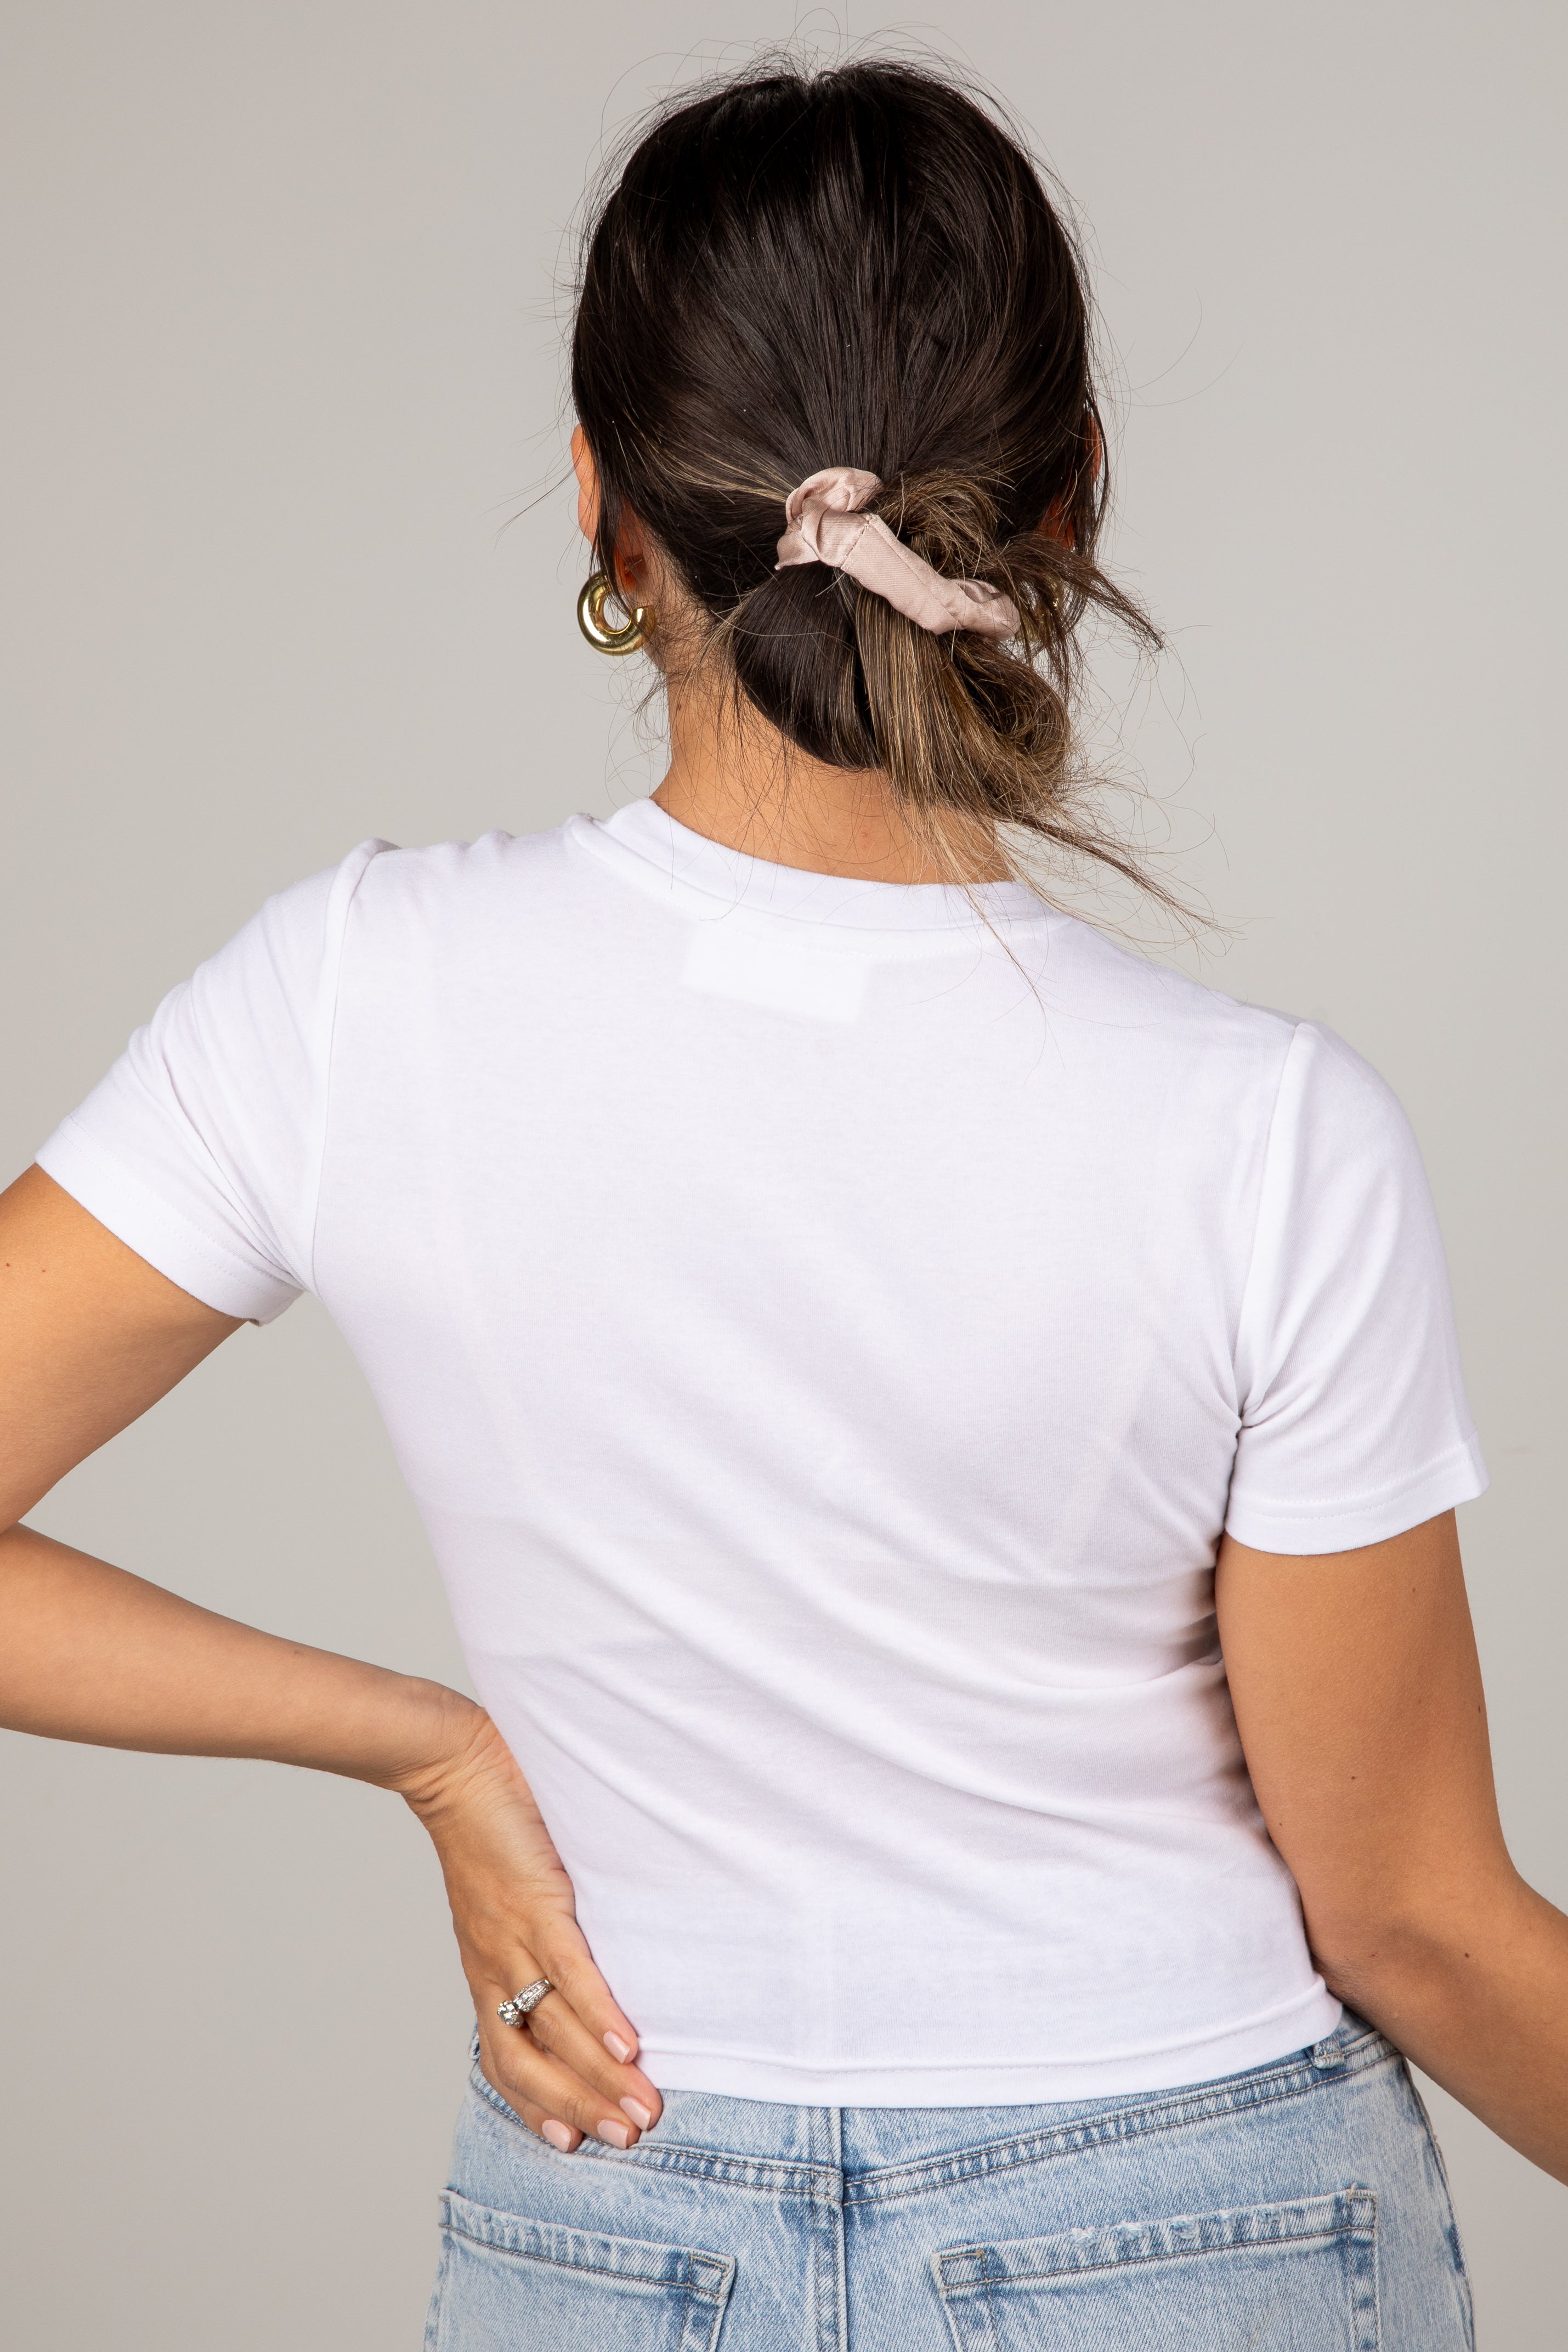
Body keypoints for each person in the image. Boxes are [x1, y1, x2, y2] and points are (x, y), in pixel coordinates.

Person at [2, 56, 1563, 2350]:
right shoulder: (1264, 1131)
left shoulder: (355, 994)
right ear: (1069, 500)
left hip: (622, 2211)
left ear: (599, 504)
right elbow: (1411, 1917)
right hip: (1192, 2223)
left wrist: (421, 1747)